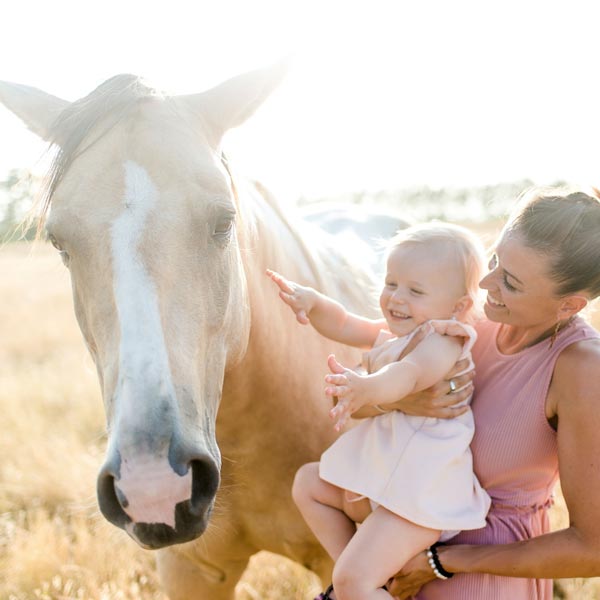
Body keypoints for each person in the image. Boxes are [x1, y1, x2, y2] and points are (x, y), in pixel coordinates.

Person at [380, 187, 600, 599]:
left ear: (569, 305)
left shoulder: (582, 369)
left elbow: (593, 549)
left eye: (510, 282)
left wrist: (442, 562)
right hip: (398, 555)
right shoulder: (467, 321)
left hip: (484, 580)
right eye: (495, 259)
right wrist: (397, 398)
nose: (485, 282)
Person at [267, 222, 492, 600]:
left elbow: (409, 374)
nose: (396, 298)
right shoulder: (394, 334)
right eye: (391, 284)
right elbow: (342, 323)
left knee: (354, 582)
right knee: (308, 483)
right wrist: (314, 303)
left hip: (419, 495)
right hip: (387, 482)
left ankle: (354, 585)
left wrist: (366, 388)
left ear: (459, 307)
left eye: (415, 291)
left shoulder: (443, 339)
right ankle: (359, 581)